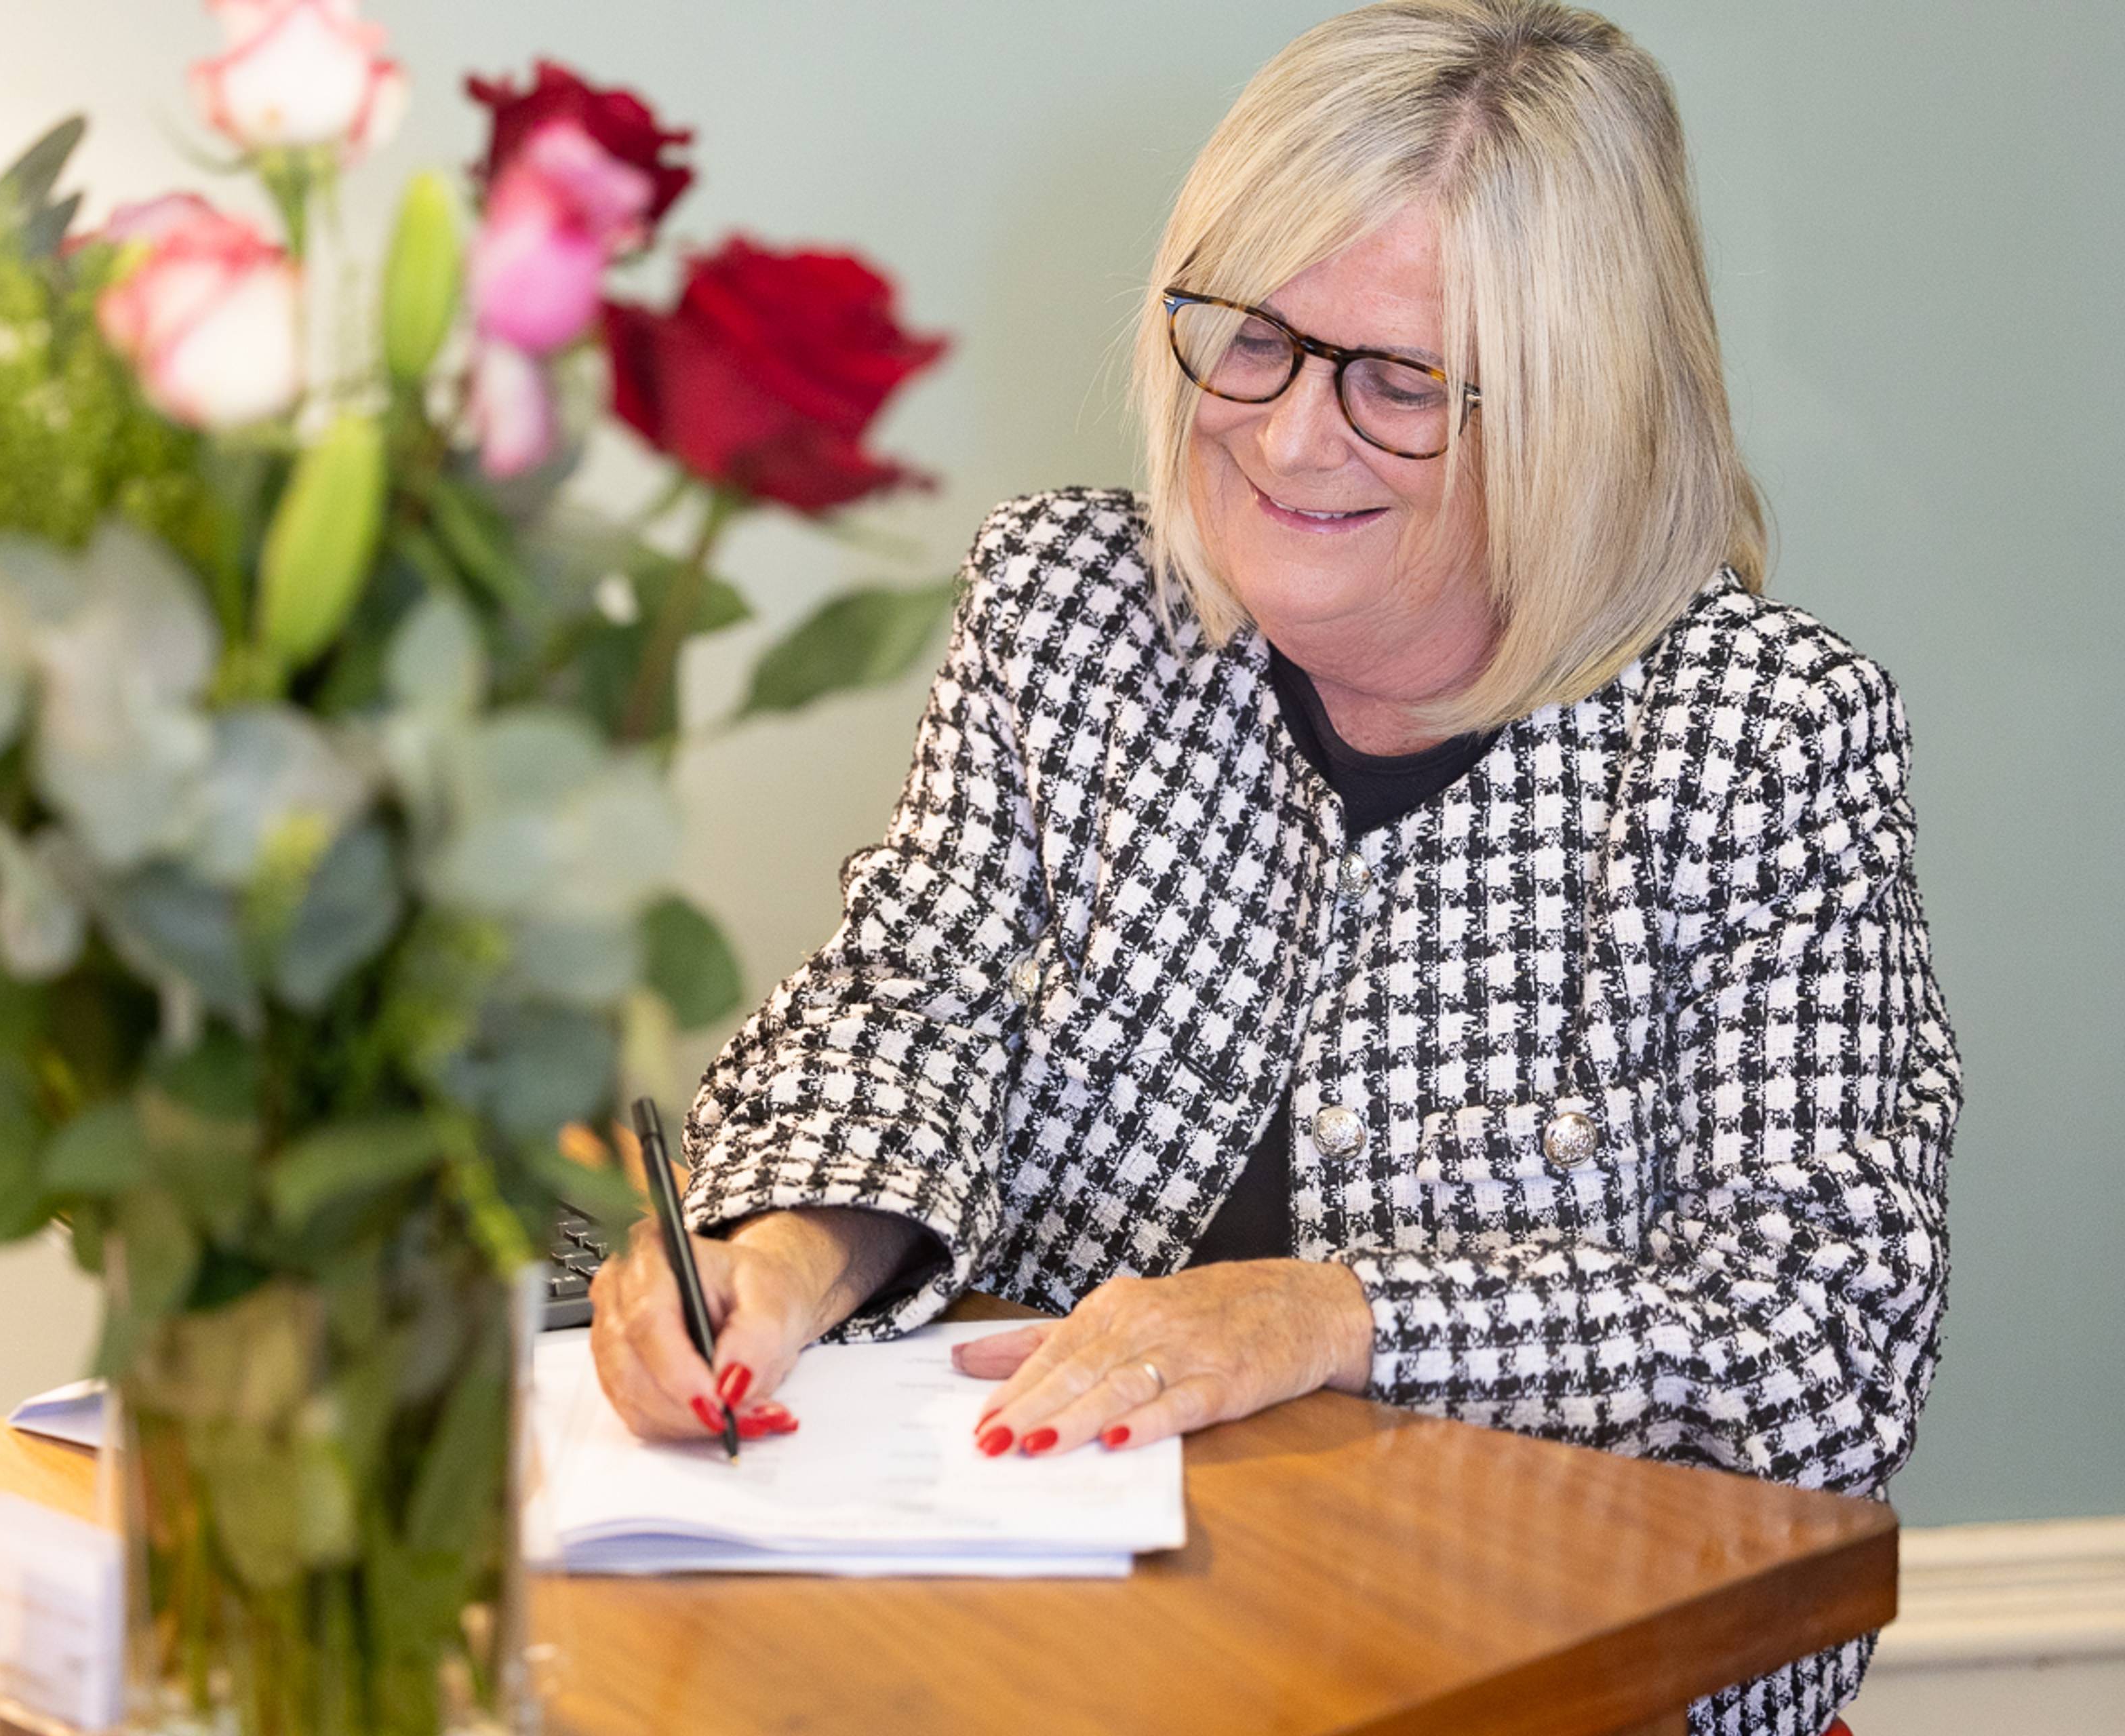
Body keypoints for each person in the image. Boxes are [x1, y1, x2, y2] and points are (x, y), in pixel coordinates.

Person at [584, 2, 1956, 1731]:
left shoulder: (1758, 737)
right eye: (1254, 341)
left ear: (1576, 408)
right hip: (1061, 1646)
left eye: (1396, 383)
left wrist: (1335, 1314)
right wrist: (788, 1246)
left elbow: (1822, 1335)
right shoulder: (1073, 611)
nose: (1292, 438)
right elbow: (907, 1001)